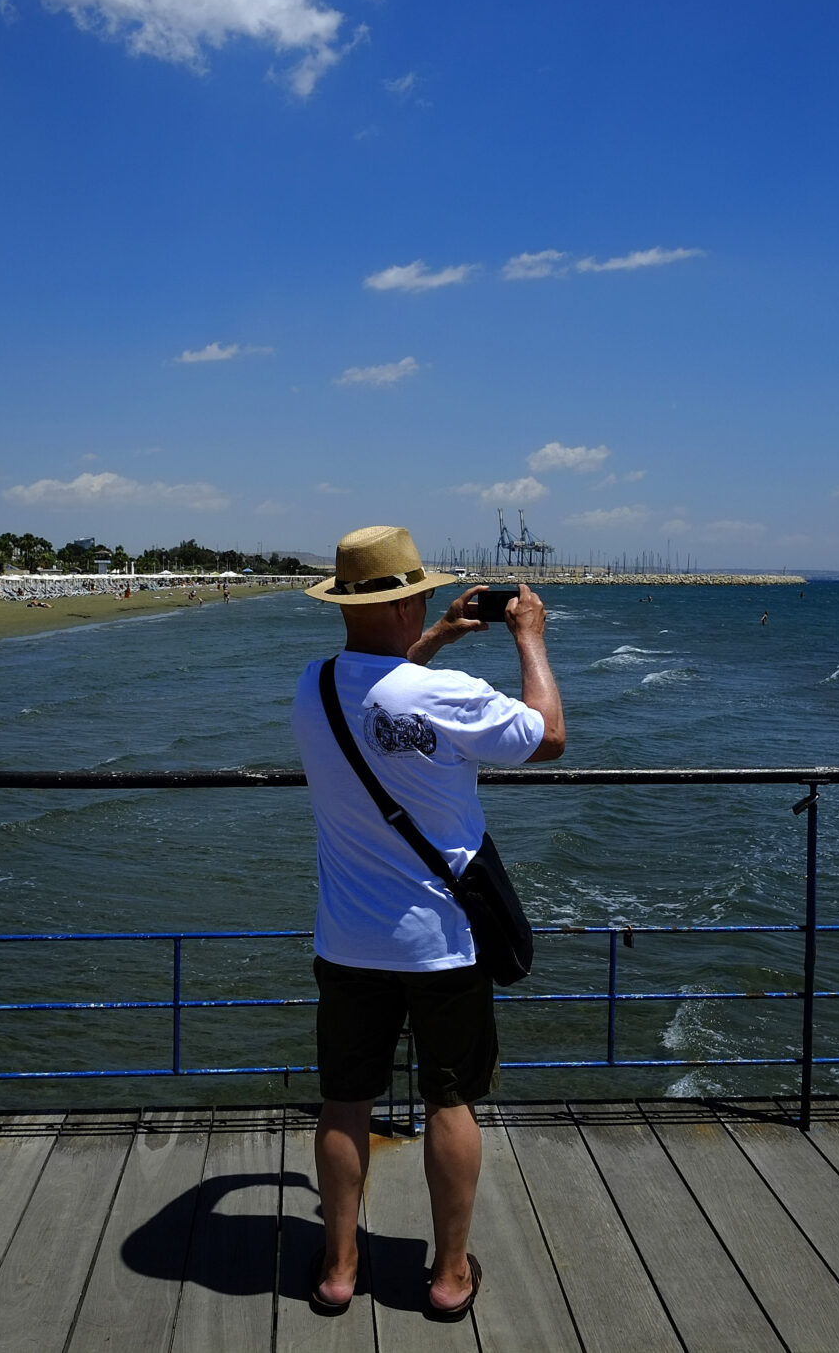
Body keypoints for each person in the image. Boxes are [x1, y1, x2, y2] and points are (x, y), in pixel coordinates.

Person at [290, 525, 566, 1322]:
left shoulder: (312, 686)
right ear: (409, 598)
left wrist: (435, 638)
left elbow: (378, 699)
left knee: (345, 1100)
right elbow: (546, 736)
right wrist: (531, 640)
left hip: (346, 938)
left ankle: (339, 1269)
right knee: (451, 1101)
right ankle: (448, 1275)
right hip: (443, 942)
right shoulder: (446, 697)